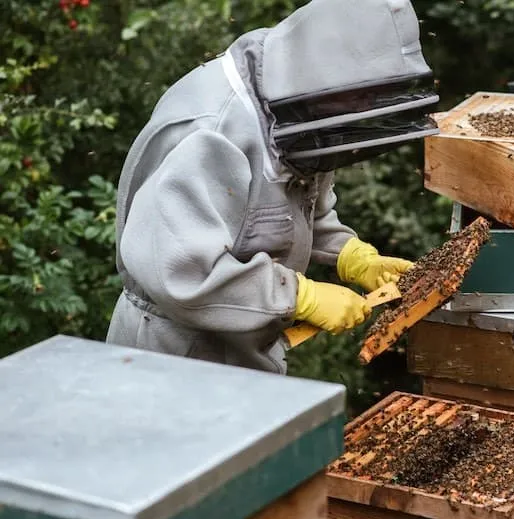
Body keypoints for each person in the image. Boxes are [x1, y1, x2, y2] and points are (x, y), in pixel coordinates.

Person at [105, 0, 439, 374]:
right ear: (324, 67)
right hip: (171, 357)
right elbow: (182, 271)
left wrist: (349, 254)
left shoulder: (304, 109)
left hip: (242, 352)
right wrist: (299, 296)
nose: (367, 104)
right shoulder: (212, 132)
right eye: (362, 93)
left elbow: (287, 208)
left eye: (375, 94)